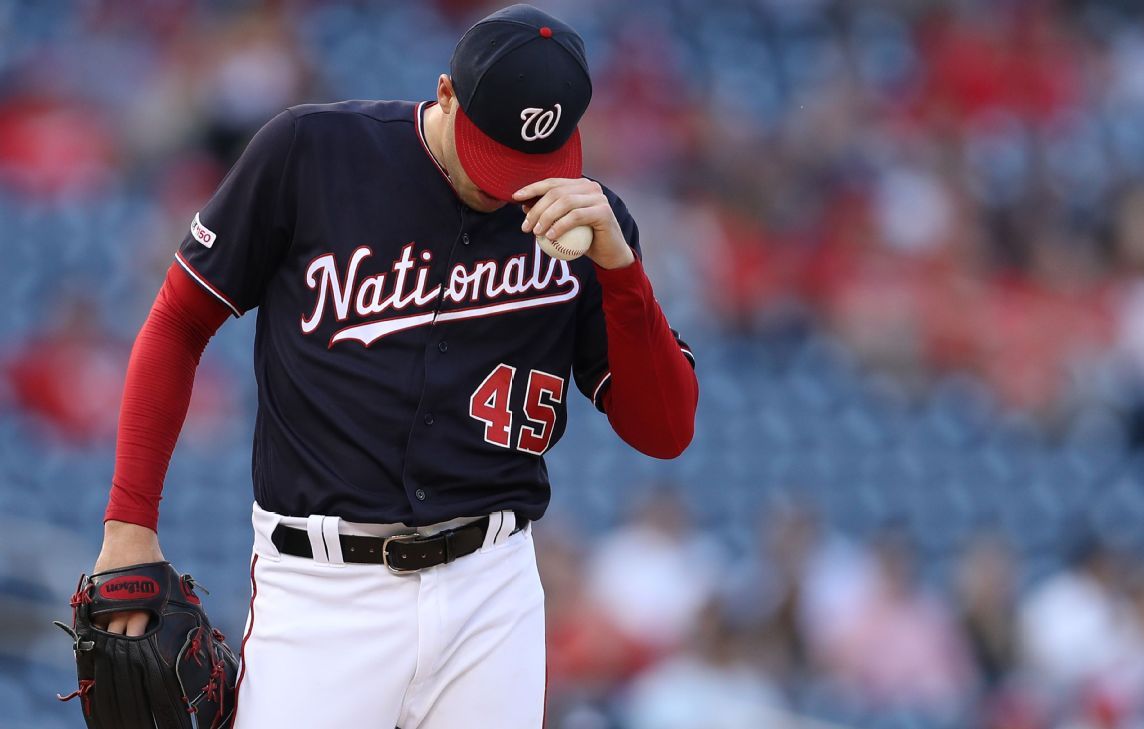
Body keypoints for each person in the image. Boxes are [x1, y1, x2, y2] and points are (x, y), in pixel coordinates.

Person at [90, 5, 698, 727]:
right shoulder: (309, 153)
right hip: (323, 590)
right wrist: (130, 521)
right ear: (445, 94)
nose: (507, 186)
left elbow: (664, 429)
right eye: (492, 155)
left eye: (532, 160)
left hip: (491, 588)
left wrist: (622, 271)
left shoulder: (586, 224)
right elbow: (180, 319)